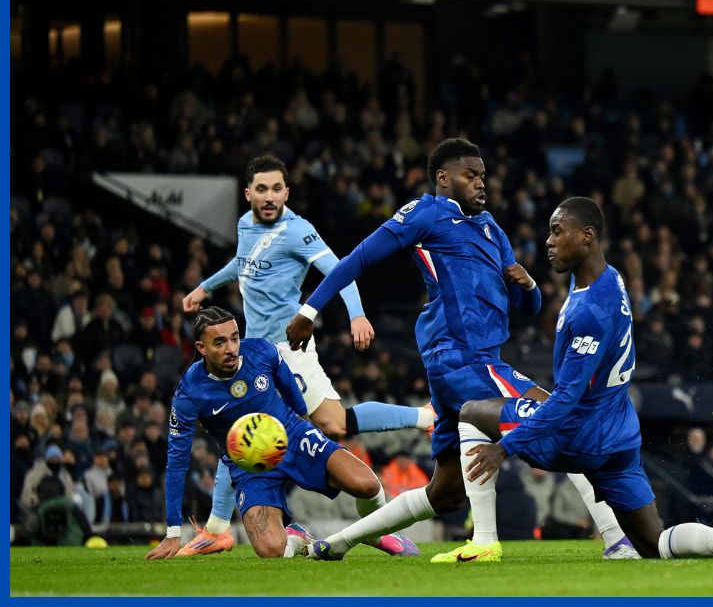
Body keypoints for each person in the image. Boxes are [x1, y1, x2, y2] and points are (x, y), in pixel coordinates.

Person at [288, 140, 636, 561]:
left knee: (446, 491)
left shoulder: (491, 228)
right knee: (562, 416)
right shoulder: (425, 214)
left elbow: (527, 308)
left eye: (483, 176)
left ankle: (338, 543)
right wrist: (310, 309)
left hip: (475, 362)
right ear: (442, 178)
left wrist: (528, 287)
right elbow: (358, 259)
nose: (480, 183)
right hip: (461, 358)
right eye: (471, 175)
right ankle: (617, 539)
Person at [450, 197, 713, 562]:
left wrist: (504, 448)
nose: (548, 241)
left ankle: (483, 542)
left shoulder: (590, 311)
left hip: (582, 435)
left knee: (471, 411)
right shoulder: (610, 278)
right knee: (654, 543)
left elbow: (565, 400)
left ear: (587, 236)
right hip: (619, 431)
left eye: (557, 232)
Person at [178, 155, 431, 556]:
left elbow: (341, 269)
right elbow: (243, 265)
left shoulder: (298, 231)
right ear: (248, 194)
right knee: (244, 433)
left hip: (286, 350)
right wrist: (205, 288)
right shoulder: (246, 225)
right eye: (261, 189)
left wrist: (357, 313)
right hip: (250, 352)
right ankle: (223, 528)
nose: (269, 196)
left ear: (287, 192)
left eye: (277, 189)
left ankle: (421, 426)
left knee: (332, 422)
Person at [146, 307, 407, 560]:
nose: (231, 348)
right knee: (271, 550)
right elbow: (177, 461)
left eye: (235, 338)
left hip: (292, 437)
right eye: (220, 342)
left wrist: (305, 429)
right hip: (250, 466)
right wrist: (172, 532)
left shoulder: (261, 350)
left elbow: (291, 389)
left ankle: (374, 532)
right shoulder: (190, 392)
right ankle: (296, 539)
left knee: (368, 485)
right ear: (201, 348)